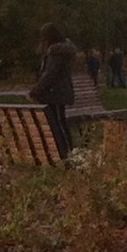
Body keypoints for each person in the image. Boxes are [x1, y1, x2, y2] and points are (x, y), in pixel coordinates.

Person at [28, 23, 78, 159]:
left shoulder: (56, 53)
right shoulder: (59, 51)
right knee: (58, 122)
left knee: (58, 123)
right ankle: (63, 151)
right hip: (56, 92)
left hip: (55, 93)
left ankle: (67, 152)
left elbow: (50, 74)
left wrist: (35, 91)